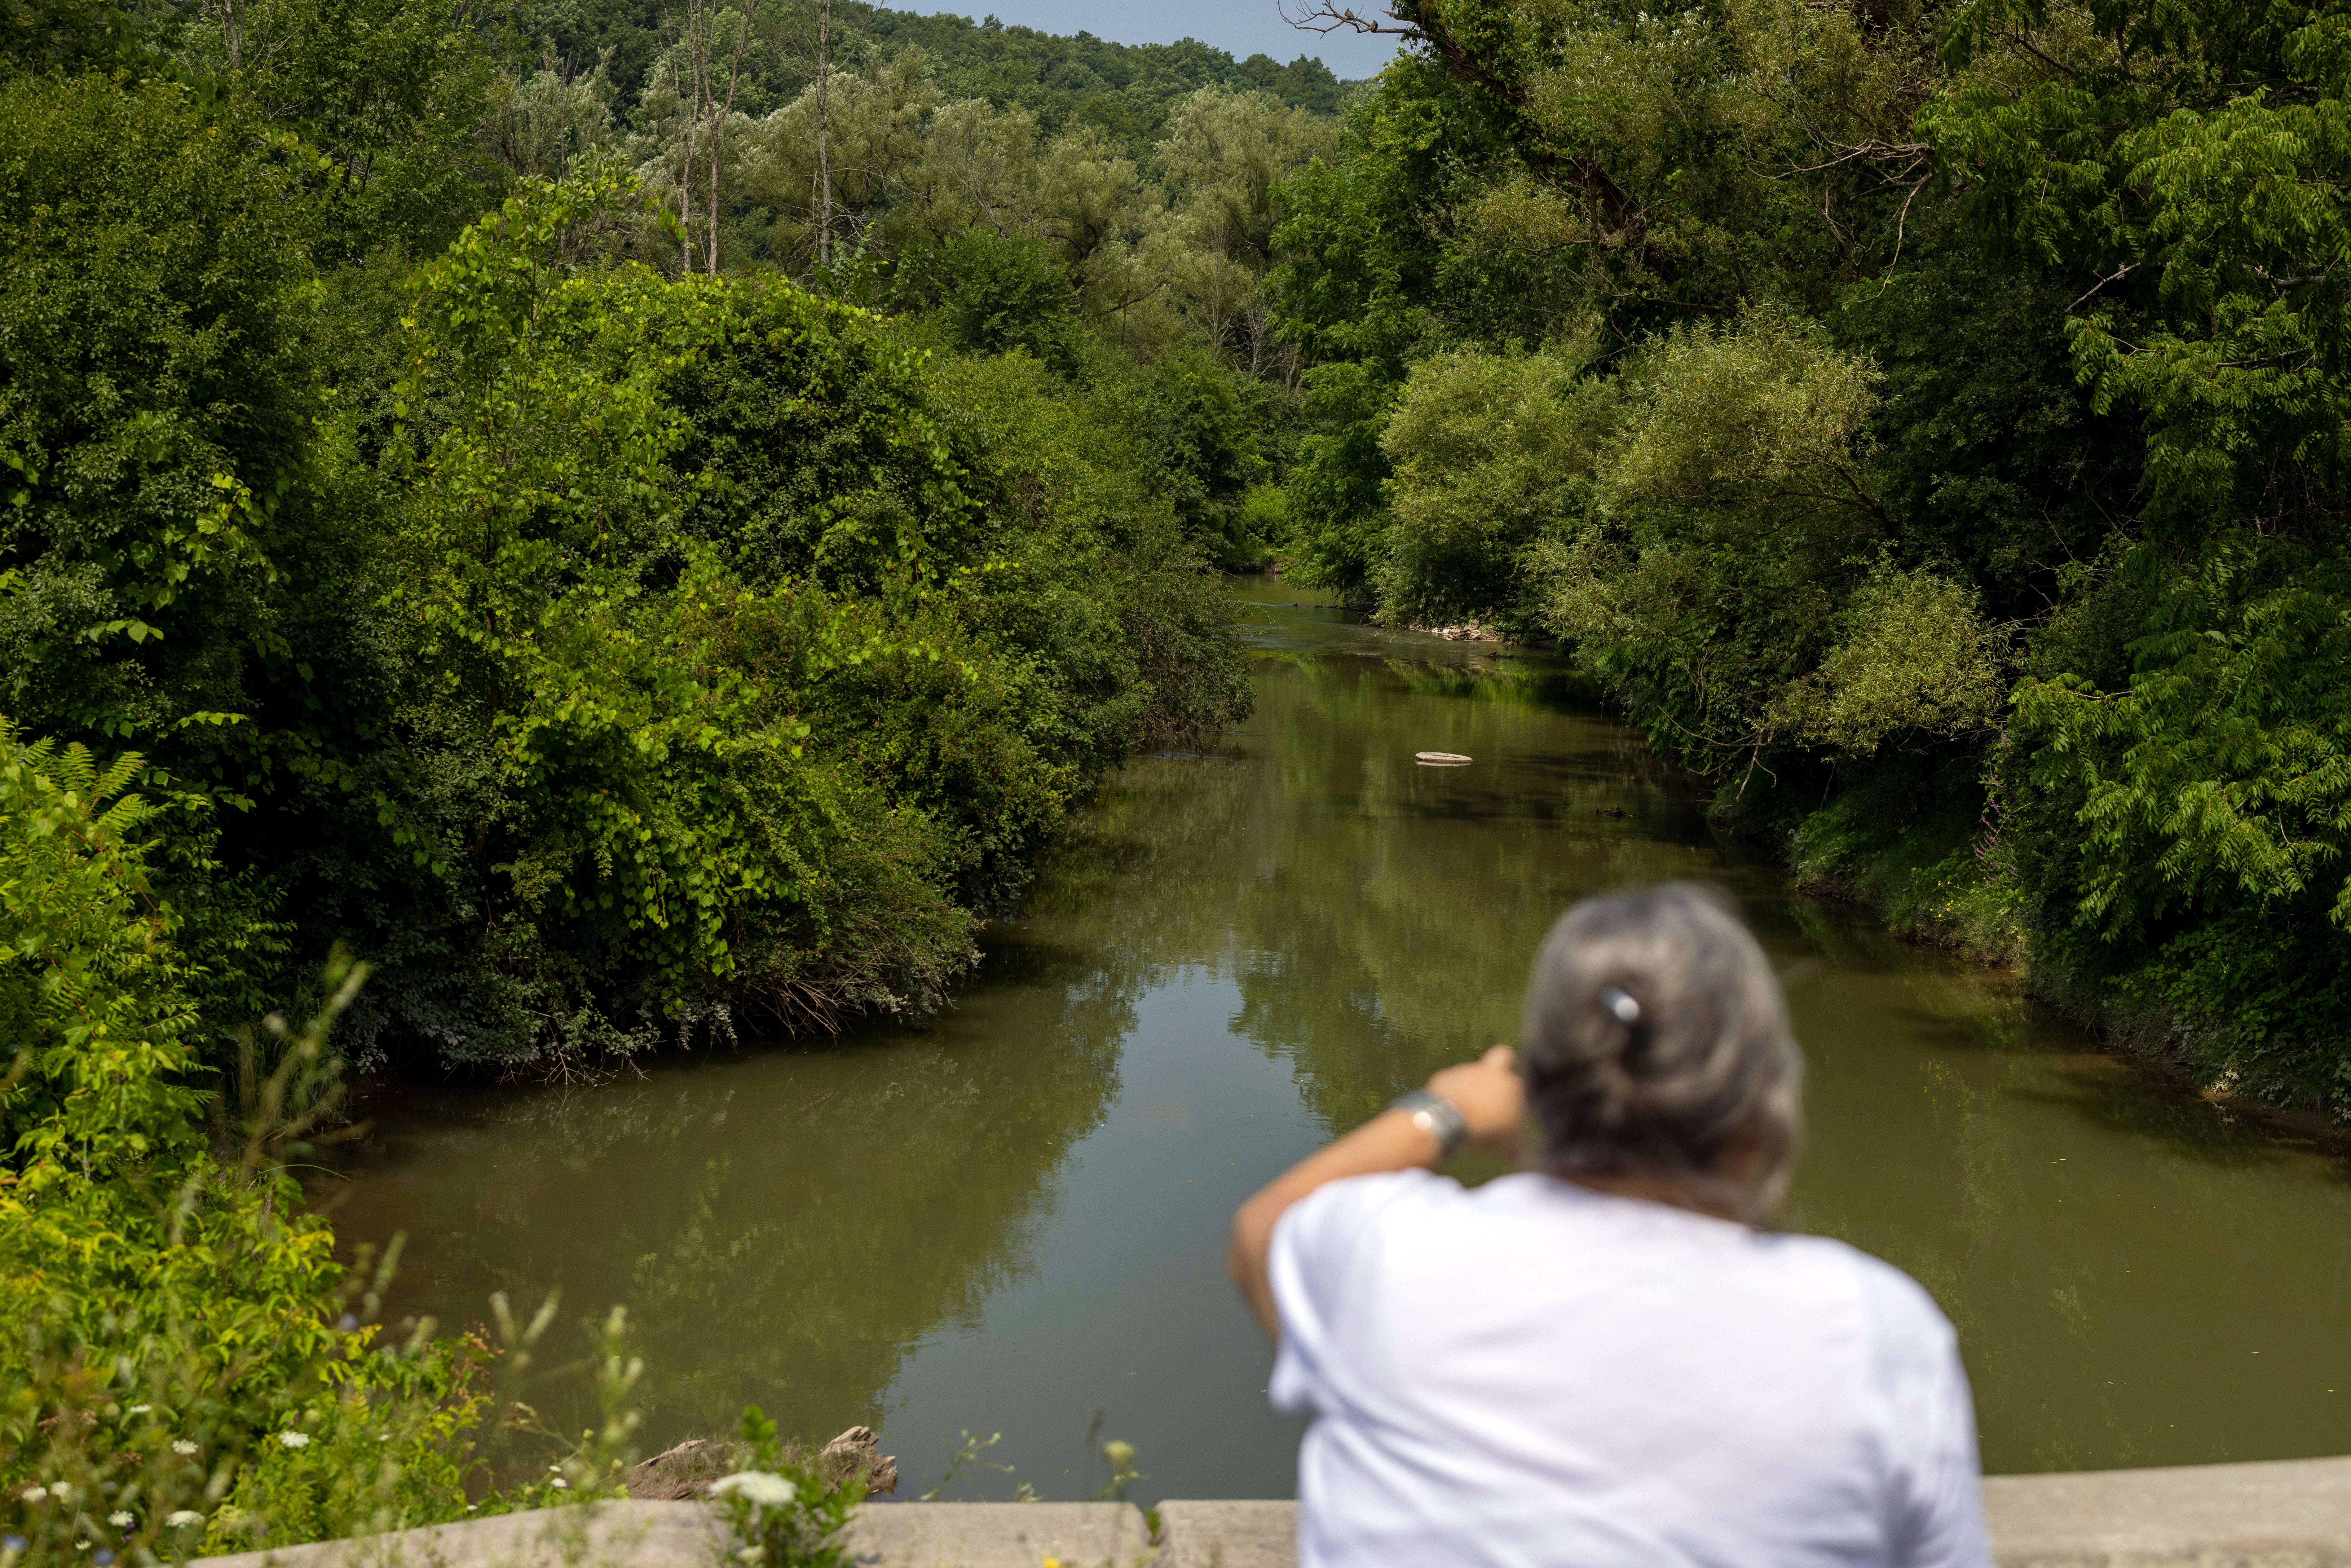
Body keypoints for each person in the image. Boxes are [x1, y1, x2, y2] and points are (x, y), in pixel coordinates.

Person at [1228, 882, 1989, 1568]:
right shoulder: (1872, 1333)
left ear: (1539, 1090)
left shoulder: (1391, 1261)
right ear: (1757, 1116)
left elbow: (1264, 1229)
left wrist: (1448, 1108)